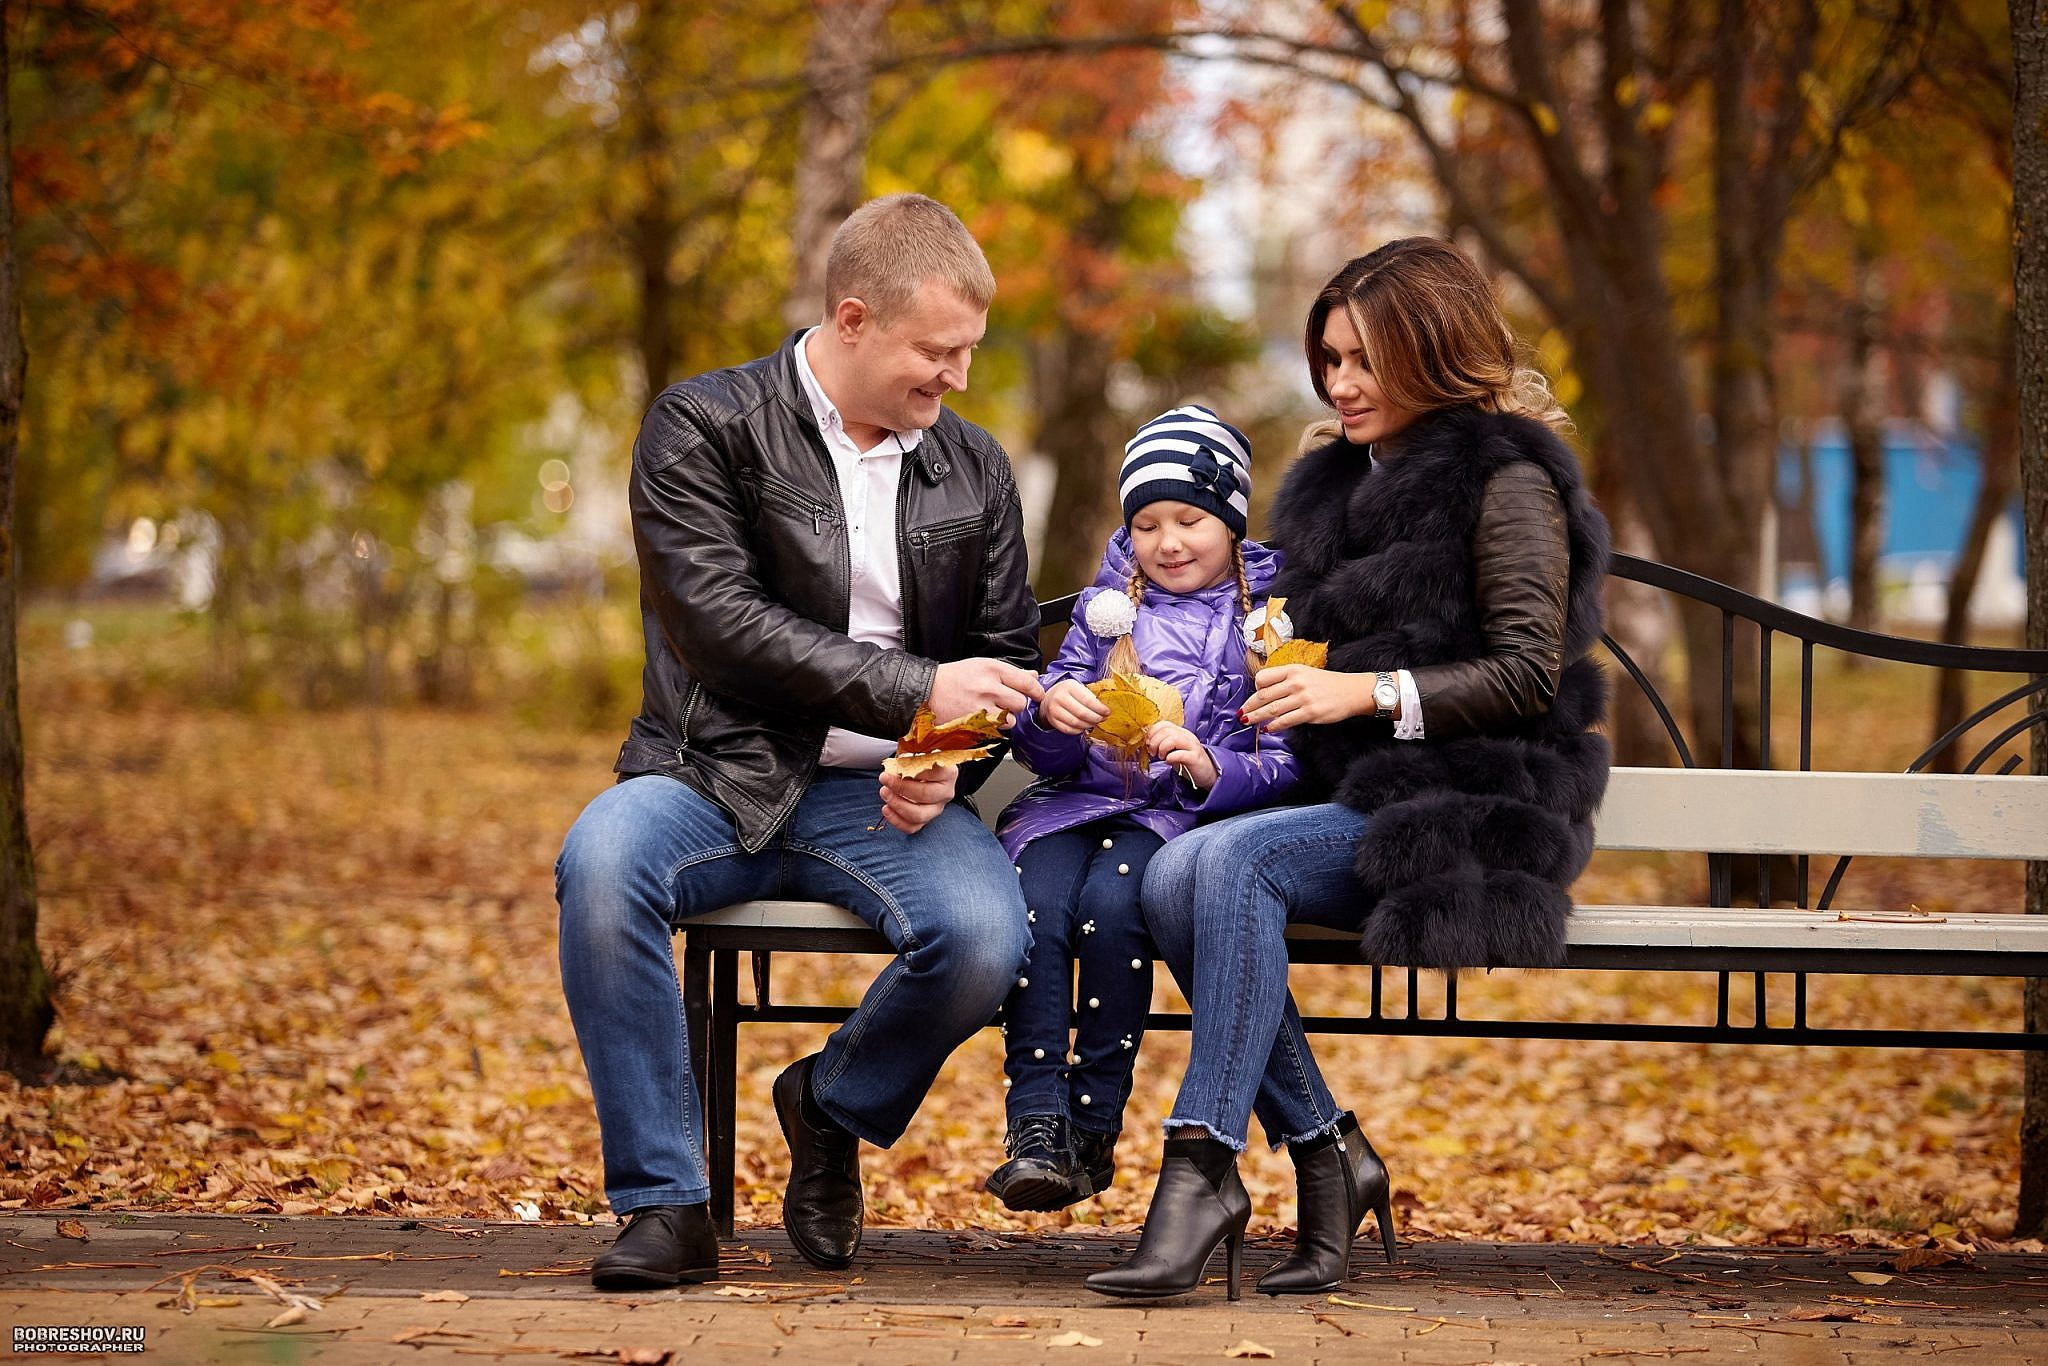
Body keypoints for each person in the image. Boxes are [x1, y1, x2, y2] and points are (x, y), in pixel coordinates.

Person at [1088, 238, 1613, 1302]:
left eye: (1365, 359)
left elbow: (1523, 672)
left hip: (1468, 803)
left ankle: (1201, 1171)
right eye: (1329, 358)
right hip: (1331, 790)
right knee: (1177, 868)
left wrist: (1362, 693)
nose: (1340, 383)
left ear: (1434, 351)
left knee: (1218, 871)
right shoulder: (1330, 483)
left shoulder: (1505, 480)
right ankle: (1329, 1155)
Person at [555, 194, 1047, 1290]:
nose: (955, 378)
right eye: (935, 350)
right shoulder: (701, 426)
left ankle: (827, 1103)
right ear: (855, 317)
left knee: (982, 936)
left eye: (968, 349)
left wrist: (947, 758)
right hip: (709, 774)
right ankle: (666, 1204)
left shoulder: (973, 466)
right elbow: (720, 628)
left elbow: (1002, 653)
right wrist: (920, 686)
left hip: (882, 799)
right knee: (600, 866)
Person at [984, 406, 1301, 1214]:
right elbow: (1043, 743)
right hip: (1067, 807)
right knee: (1039, 904)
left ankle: (1091, 1123)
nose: (1168, 541)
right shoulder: (1104, 613)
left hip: (1172, 822)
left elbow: (1282, 764)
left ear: (1230, 521)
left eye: (1190, 519)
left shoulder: (1263, 629)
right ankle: (1036, 1123)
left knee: (1115, 907)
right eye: (1148, 522)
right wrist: (1050, 715)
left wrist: (1208, 766)